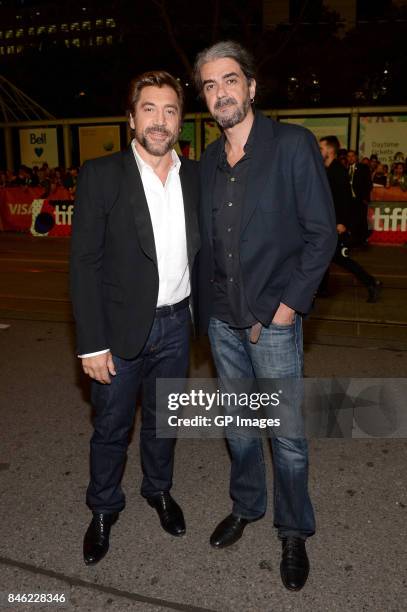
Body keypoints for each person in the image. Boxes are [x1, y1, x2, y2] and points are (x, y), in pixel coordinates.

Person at [193, 41, 337, 591]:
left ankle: (293, 530)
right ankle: (247, 505)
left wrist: (286, 307)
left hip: (271, 319)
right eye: (209, 85)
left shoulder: (293, 145)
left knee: (288, 435)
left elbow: (321, 235)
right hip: (221, 321)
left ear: (251, 87)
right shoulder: (208, 160)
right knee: (238, 426)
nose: (220, 92)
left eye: (229, 80)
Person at [70, 71, 200, 566]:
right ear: (131, 117)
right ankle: (104, 507)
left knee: (164, 422)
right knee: (111, 427)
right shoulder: (102, 174)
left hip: (176, 327)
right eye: (149, 109)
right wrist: (91, 343)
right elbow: (85, 262)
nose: (159, 120)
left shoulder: (195, 176)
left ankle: (158, 490)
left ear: (180, 122)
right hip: (120, 330)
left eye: (169, 111)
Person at [319, 136, 382, 303]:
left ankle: (371, 282)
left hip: (335, 224)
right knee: (326, 256)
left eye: (321, 148)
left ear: (330, 151)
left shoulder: (337, 170)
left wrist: (342, 223)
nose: (319, 151)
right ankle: (323, 289)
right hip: (328, 223)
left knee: (338, 258)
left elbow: (345, 199)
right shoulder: (328, 169)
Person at [347, 149, 372, 245]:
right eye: (348, 156)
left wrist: (365, 198)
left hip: (361, 200)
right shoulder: (345, 169)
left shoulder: (363, 168)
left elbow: (369, 184)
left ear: (356, 157)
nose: (350, 158)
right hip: (350, 201)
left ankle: (363, 240)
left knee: (362, 220)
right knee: (352, 220)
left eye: (352, 156)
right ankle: (354, 240)